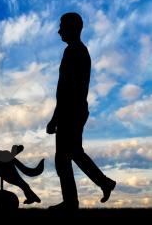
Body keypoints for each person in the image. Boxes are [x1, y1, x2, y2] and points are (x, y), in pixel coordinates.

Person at [46, 12, 116, 210]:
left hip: (72, 111)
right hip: (75, 110)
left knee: (63, 158)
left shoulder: (74, 51)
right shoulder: (77, 51)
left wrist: (56, 118)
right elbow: (66, 90)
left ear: (72, 28)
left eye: (62, 26)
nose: (59, 30)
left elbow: (67, 90)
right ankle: (103, 183)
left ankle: (71, 202)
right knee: (74, 153)